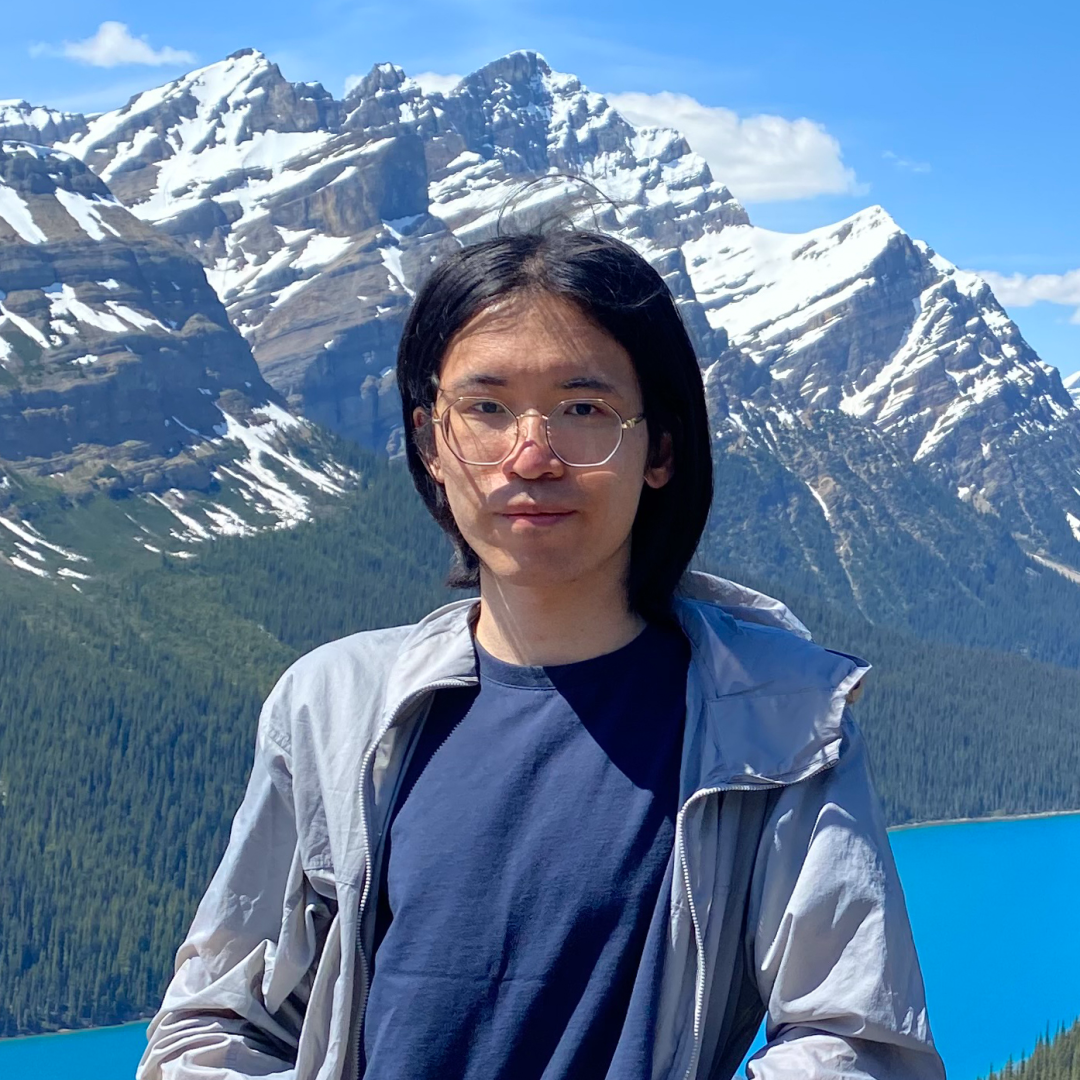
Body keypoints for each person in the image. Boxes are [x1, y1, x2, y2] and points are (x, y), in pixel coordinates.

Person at [137, 228, 946, 1080]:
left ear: (661, 449)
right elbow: (216, 1019)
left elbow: (854, 1041)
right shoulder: (330, 708)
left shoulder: (781, 716)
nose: (531, 457)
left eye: (583, 410)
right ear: (430, 443)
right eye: (486, 409)